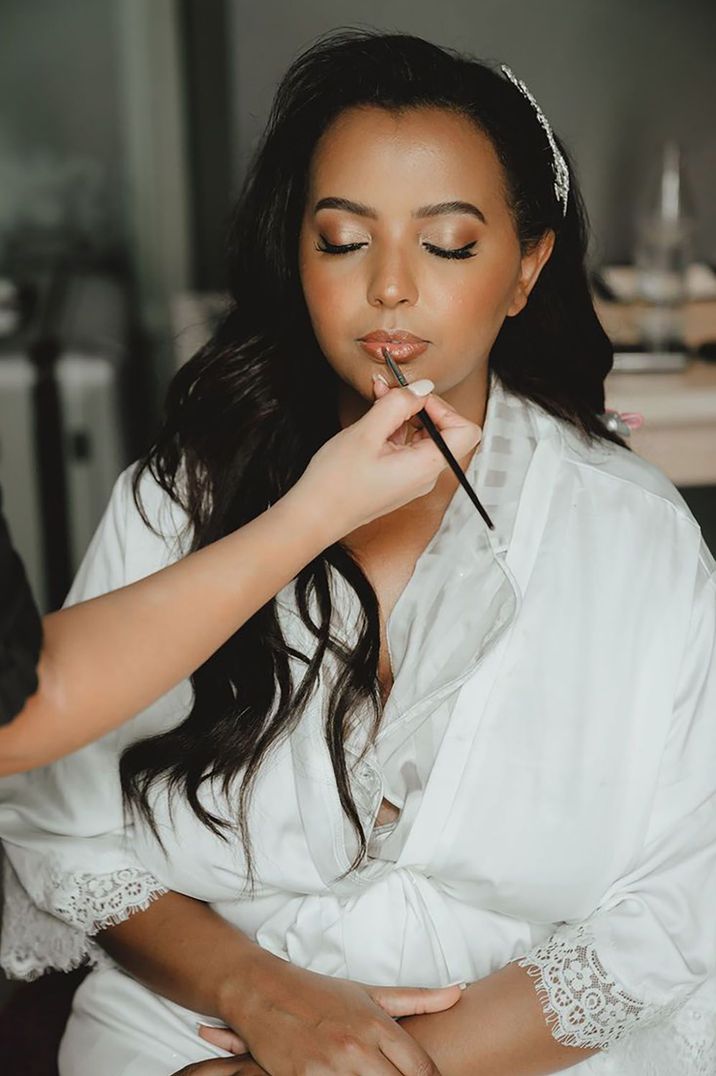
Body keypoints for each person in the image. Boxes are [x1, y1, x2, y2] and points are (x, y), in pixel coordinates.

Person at [1, 30, 715, 1076]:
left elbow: (680, 893)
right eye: (341, 240)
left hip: (523, 1044)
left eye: (448, 244)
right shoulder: (176, 500)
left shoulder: (634, 535)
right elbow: (60, 818)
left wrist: (392, 1067)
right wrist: (262, 995)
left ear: (526, 267)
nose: (389, 287)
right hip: (194, 1024)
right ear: (297, 257)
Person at [0, 381, 459, 778]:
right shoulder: (174, 494)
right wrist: (320, 511)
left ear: (523, 282)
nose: (391, 288)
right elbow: (25, 708)